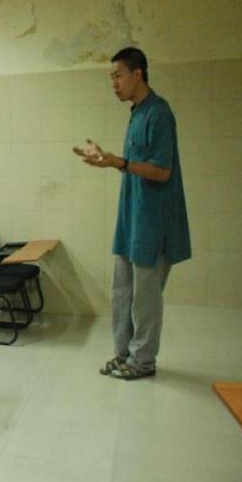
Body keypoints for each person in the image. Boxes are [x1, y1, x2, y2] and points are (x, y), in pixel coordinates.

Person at [73, 47, 191, 380]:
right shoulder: (136, 113)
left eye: (117, 75)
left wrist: (118, 162)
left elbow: (162, 171)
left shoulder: (159, 113)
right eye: (111, 77)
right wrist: (108, 162)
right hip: (131, 221)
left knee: (146, 299)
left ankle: (143, 361)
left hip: (154, 223)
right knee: (122, 291)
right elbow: (135, 167)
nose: (113, 83)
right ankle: (123, 353)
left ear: (138, 73)